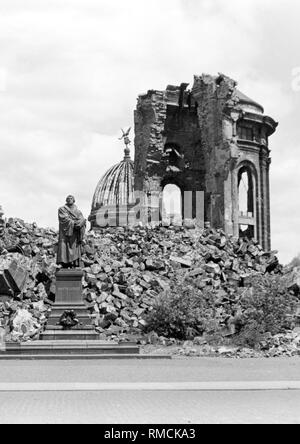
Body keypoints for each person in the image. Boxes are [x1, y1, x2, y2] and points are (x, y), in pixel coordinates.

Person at [57, 195, 86, 268]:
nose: (69, 199)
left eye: (71, 198)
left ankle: (73, 263)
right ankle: (63, 263)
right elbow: (64, 218)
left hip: (75, 233)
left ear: (74, 200)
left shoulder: (78, 211)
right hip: (65, 232)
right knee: (64, 246)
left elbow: (82, 219)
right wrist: (74, 223)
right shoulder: (62, 209)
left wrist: (81, 223)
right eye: (68, 198)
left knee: (74, 247)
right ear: (66, 200)